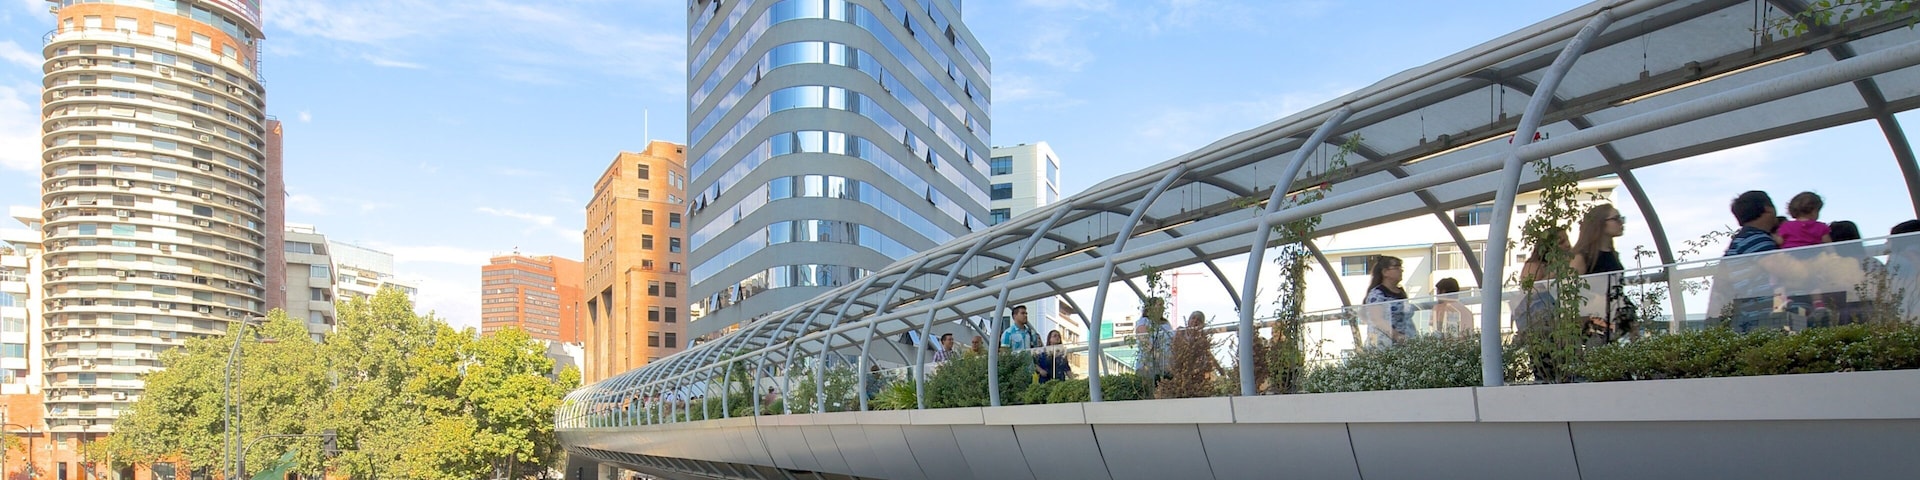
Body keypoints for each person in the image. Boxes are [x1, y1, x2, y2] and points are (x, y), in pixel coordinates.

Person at [1717, 191, 1784, 331]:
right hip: (1763, 317)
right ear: (1768, 209)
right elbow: (1783, 270)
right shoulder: (1755, 239)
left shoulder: (1742, 239)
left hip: (1750, 315)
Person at [1516, 227, 1573, 383]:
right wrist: (1557, 268)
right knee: (1545, 368)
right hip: (1540, 326)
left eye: (1567, 239)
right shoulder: (1534, 265)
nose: (1567, 245)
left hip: (1561, 324)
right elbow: (1532, 291)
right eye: (1561, 242)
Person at [1363, 255, 1414, 343]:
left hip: (1406, 344)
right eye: (1396, 268)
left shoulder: (1401, 293)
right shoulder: (1377, 294)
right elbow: (1377, 319)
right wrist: (1397, 336)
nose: (1401, 270)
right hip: (1385, 345)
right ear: (1385, 272)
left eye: (1401, 267)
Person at [1571, 203, 1627, 275]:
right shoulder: (1582, 257)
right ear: (1601, 223)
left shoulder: (1613, 254)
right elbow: (1570, 284)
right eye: (1616, 219)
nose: (1621, 222)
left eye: (1621, 218)